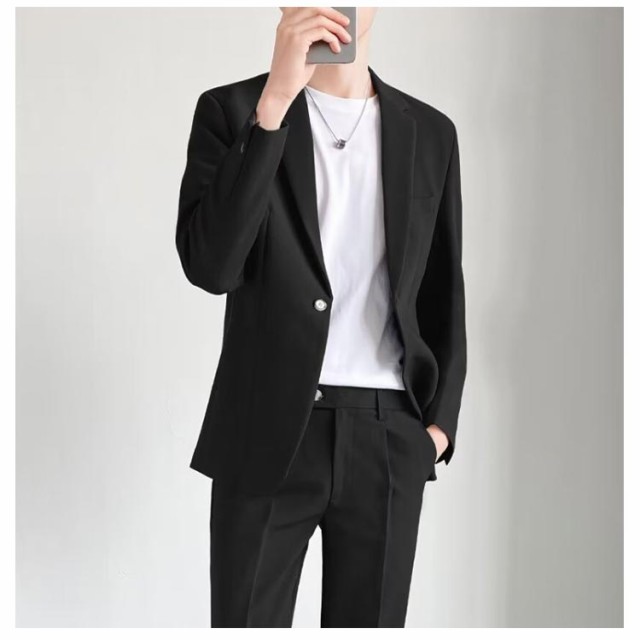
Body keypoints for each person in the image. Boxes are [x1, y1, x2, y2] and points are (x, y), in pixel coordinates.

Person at [176, 6, 466, 628]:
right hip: (264, 430)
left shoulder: (430, 132)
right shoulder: (232, 110)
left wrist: (436, 429)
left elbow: (443, 289)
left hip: (388, 435)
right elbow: (211, 268)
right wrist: (275, 106)